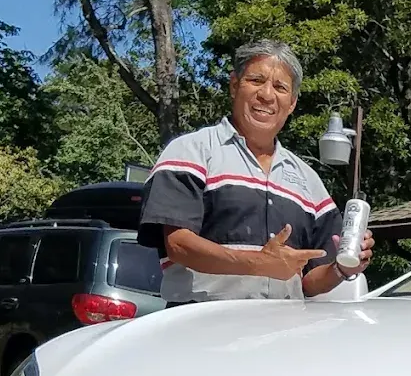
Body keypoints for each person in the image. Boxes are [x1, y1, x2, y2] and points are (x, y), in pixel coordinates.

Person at [136, 39, 374, 305]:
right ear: (234, 85)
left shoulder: (309, 180)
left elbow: (309, 281)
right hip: (201, 326)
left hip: (282, 331)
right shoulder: (190, 151)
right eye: (257, 80)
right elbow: (179, 245)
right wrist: (260, 264)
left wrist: (342, 269)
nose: (267, 95)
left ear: (292, 103)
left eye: (280, 87)